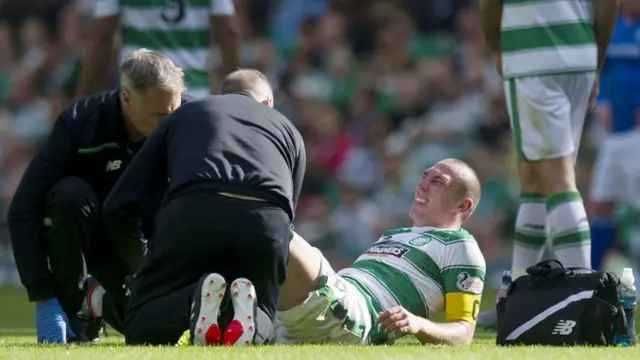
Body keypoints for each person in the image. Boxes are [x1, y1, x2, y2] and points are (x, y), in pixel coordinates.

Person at [101, 69, 306, 346]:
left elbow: (120, 203)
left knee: (140, 325)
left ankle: (194, 297)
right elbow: (287, 217)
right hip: (266, 221)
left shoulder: (189, 112)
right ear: (268, 102)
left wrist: (141, 261)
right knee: (264, 317)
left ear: (221, 95)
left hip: (196, 210)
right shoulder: (288, 129)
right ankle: (251, 316)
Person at [7, 49, 188, 344]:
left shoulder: (187, 122)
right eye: (159, 116)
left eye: (174, 111)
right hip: (95, 239)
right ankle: (77, 309)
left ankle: (99, 301)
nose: (168, 123)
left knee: (157, 336)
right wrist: (43, 296)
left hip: (150, 247)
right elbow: (23, 210)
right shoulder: (80, 126)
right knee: (68, 195)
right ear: (127, 98)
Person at [274, 159, 486, 345]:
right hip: (331, 297)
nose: (422, 185)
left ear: (463, 205)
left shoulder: (460, 245)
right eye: (424, 176)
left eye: (437, 181)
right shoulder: (395, 234)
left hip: (356, 313)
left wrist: (418, 324)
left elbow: (464, 331)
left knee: (275, 230)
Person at [479, 0, 619, 278]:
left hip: (534, 54)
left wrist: (495, 46)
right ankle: (517, 293)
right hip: (579, 53)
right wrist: (596, 59)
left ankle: (582, 293)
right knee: (536, 179)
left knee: (557, 180)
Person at [75, 0, 241, 99]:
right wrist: (233, 94)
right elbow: (229, 32)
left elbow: (101, 38)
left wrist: (82, 94)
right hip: (192, 93)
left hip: (138, 94)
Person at [589, 0, 640, 270]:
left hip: (637, 131)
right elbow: (602, 69)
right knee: (601, 202)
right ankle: (592, 275)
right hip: (613, 131)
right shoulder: (613, 28)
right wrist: (603, 100)